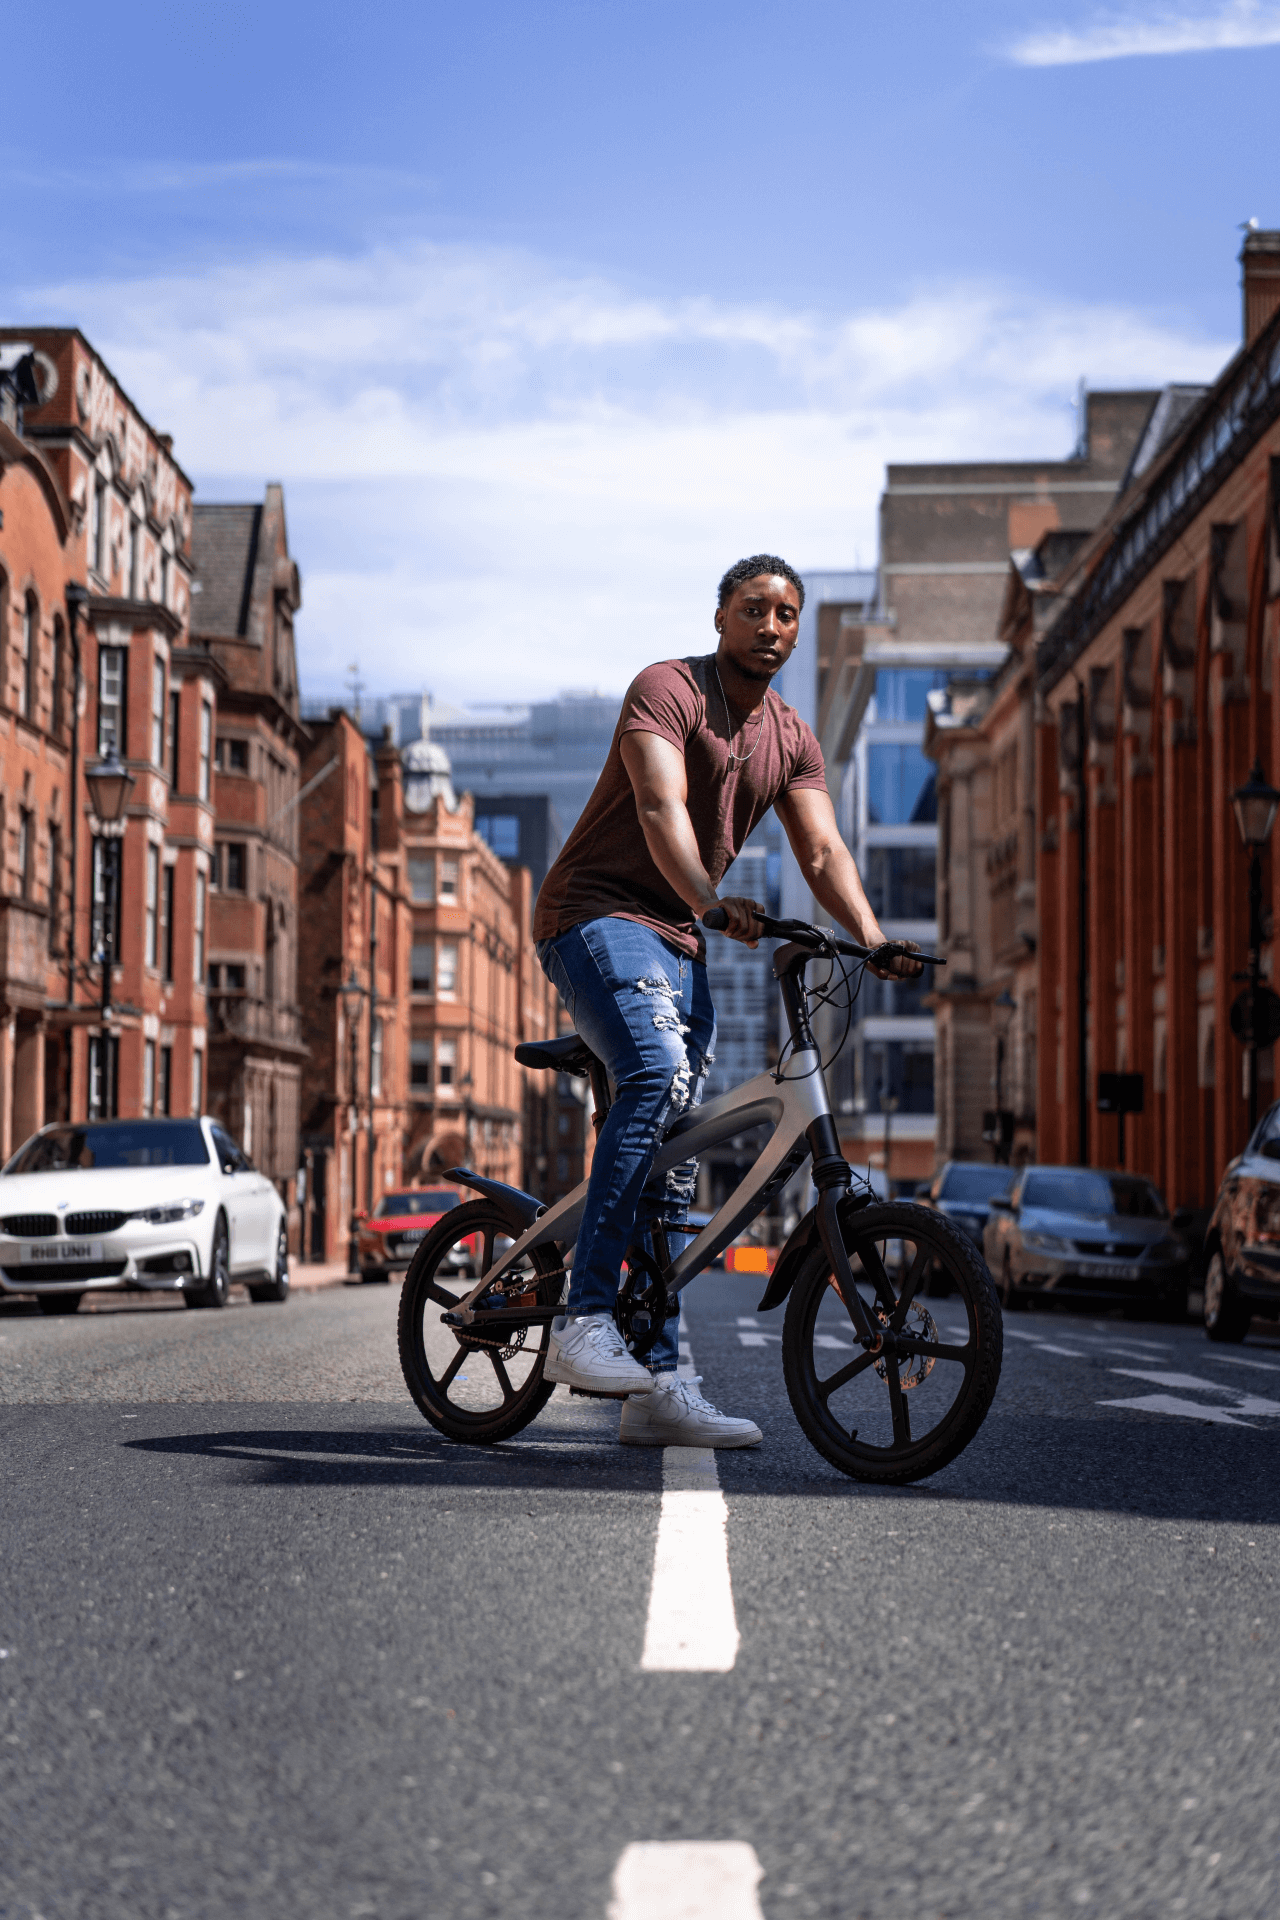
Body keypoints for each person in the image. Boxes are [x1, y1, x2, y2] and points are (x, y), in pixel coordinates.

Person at [533, 554, 921, 1447]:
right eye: (754, 609)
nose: (773, 627)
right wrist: (710, 900)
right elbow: (662, 808)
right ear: (720, 618)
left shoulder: (791, 738)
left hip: (679, 933)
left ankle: (657, 1382)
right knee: (658, 1070)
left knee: (677, 1158)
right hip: (596, 914)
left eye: (788, 613)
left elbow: (822, 854)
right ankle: (581, 1316)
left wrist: (870, 933)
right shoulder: (666, 690)